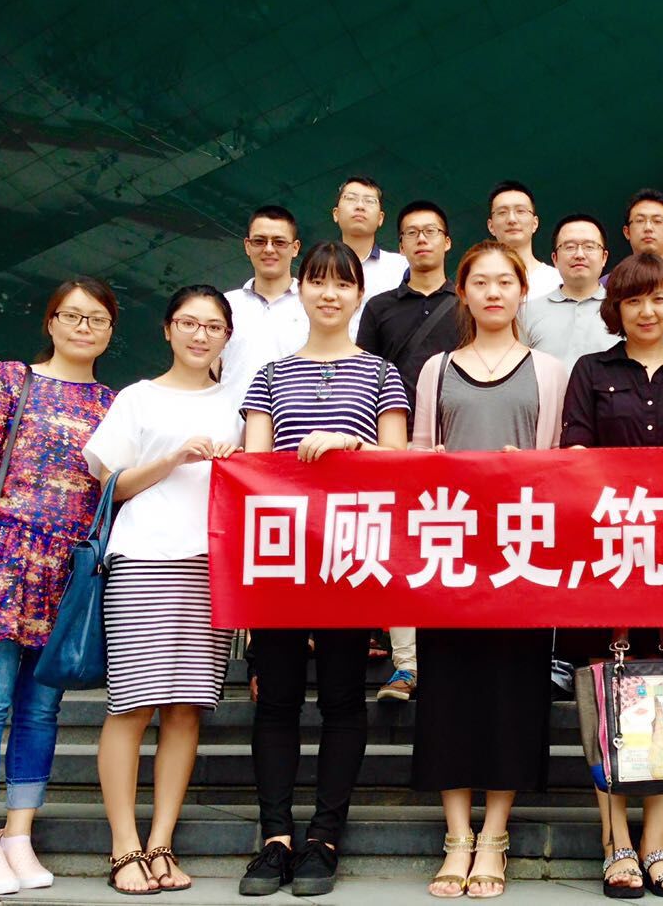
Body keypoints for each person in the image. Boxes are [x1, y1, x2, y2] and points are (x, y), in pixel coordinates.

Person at [0, 279, 117, 896]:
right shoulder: (10, 379)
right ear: (51, 321)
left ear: (111, 331)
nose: (84, 327)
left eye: (97, 318)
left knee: (41, 709)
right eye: (72, 315)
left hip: (67, 572)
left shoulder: (114, 403)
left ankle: (19, 833)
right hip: (4, 561)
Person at [237, 242, 409, 898]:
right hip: (281, 558)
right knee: (277, 701)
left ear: (360, 294)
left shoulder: (382, 373)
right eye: (318, 281)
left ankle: (325, 836)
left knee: (341, 699)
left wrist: (349, 444)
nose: (329, 294)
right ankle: (275, 837)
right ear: (301, 290)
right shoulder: (270, 375)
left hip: (350, 554)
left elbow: (398, 462)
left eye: (342, 283)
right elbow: (254, 468)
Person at [410, 240, 567, 899]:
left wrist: (528, 470)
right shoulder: (436, 368)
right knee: (448, 692)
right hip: (449, 555)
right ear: (464, 293)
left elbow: (561, 464)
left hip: (520, 558)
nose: (494, 292)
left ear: (523, 291)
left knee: (512, 694)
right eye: (481, 282)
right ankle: (456, 836)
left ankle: (494, 836)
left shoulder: (551, 370)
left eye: (506, 281)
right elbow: (419, 457)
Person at [560, 253, 663, 899]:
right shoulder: (590, 371)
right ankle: (616, 841)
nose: (647, 311)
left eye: (657, 298)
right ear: (616, 309)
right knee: (609, 693)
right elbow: (575, 450)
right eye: (633, 300)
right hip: (610, 553)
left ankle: (657, 843)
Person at [83, 285, 243, 894]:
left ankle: (161, 844)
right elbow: (111, 485)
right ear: (168, 329)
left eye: (213, 326)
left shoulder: (240, 402)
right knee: (131, 703)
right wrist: (174, 459)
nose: (201, 335)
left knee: (186, 708)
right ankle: (124, 846)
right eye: (189, 323)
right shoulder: (137, 397)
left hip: (211, 564)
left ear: (227, 336)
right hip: (143, 559)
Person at [357, 200, 462, 704]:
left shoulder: (468, 301)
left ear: (447, 241)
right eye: (412, 233)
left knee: (455, 545)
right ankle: (407, 664)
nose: (422, 240)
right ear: (400, 245)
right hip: (396, 442)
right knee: (401, 549)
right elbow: (365, 374)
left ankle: (454, 657)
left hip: (459, 440)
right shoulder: (379, 307)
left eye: (431, 231)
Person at [221, 205, 307, 403]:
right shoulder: (224, 305)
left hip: (294, 420)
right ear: (247, 246)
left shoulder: (313, 305)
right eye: (259, 241)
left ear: (295, 248)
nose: (269, 249)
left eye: (279, 242)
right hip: (230, 420)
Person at [522, 213, 613, 375]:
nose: (579, 255)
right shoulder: (526, 312)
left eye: (589, 246)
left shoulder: (623, 310)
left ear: (604, 257)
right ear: (555, 258)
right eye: (569, 247)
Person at [331, 174, 410, 336]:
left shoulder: (401, 267)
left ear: (380, 218)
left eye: (369, 201)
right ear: (336, 214)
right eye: (351, 198)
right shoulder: (316, 266)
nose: (360, 206)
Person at [487, 179, 561, 299]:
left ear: (535, 223)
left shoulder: (557, 281)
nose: (512, 219)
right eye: (502, 212)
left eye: (520, 211)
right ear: (491, 226)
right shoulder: (479, 282)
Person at [620, 188, 663, 277]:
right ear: (627, 232)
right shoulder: (609, 283)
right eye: (640, 220)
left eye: (657, 221)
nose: (648, 228)